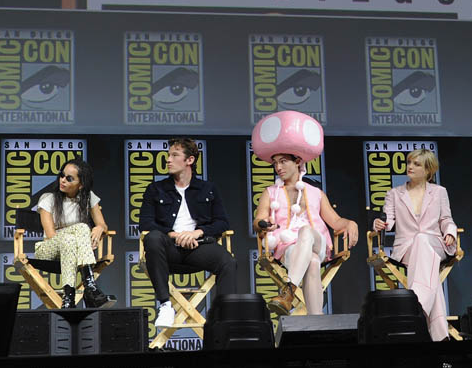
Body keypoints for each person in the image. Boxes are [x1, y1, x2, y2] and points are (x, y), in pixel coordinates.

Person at [251, 110, 357, 316]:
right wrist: (264, 224)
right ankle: (317, 321)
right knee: (313, 262)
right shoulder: (270, 192)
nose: (278, 167)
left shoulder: (316, 192)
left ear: (298, 161)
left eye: (283, 161)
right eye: (275, 163)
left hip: (317, 242)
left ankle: (289, 291)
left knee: (306, 231)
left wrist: (351, 223)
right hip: (288, 248)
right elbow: (258, 221)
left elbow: (336, 222)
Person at [139, 138, 237, 329]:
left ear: (189, 160)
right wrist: (175, 235)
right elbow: (146, 223)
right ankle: (165, 306)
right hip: (168, 250)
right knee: (152, 237)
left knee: (228, 262)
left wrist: (197, 233)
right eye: (168, 155)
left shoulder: (208, 189)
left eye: (174, 155)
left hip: (199, 247)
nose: (168, 160)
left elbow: (222, 222)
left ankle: (225, 319)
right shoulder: (155, 189)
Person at [372, 148, 456, 341]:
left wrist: (450, 232)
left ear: (428, 170)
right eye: (409, 162)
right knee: (428, 268)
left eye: (416, 164)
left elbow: (446, 219)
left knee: (422, 240)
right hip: (407, 248)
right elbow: (388, 220)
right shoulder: (394, 193)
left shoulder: (440, 192)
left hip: (435, 244)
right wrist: (379, 223)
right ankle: (438, 333)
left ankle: (415, 307)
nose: (410, 166)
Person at [32, 159, 115, 309]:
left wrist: (99, 228)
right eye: (62, 175)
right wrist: (82, 237)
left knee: (71, 240)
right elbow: (51, 235)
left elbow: (102, 225)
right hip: (48, 250)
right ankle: (90, 287)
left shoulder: (88, 197)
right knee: (81, 228)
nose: (62, 180)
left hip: (73, 251)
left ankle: (68, 298)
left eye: (69, 178)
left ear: (81, 184)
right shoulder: (48, 199)